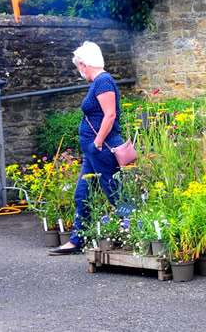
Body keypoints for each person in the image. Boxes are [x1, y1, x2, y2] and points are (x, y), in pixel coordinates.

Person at [49, 41, 124, 255]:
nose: (79, 71)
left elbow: (110, 115)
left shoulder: (103, 81)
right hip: (92, 151)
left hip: (101, 149)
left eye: (77, 67)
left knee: (115, 193)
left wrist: (98, 142)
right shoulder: (99, 82)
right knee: (83, 194)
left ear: (83, 64)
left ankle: (138, 230)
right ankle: (76, 241)